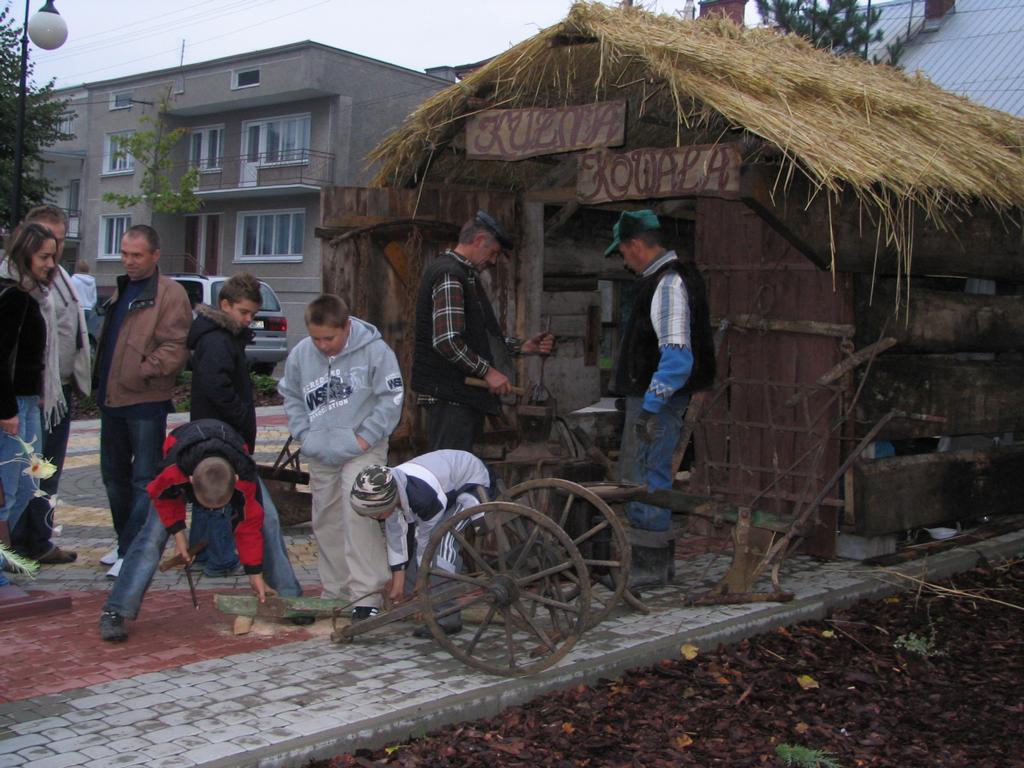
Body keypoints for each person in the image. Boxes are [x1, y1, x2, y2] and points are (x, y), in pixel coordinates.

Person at [98, 419, 306, 642]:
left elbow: (248, 526)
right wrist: (178, 534)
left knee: (269, 521)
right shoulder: (173, 471)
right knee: (151, 537)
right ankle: (116, 609)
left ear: (235, 481)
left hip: (231, 452)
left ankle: (290, 598)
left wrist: (254, 572)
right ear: (189, 482)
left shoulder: (244, 476)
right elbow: (165, 499)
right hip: (184, 453)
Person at [605, 210, 716, 584]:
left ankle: (648, 568)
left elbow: (677, 358)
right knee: (651, 475)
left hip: (659, 401)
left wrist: (651, 407)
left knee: (645, 478)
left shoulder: (667, 283)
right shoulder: (669, 278)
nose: (624, 261)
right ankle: (659, 564)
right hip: (658, 398)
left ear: (636, 245)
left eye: (623, 252)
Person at [278, 294, 404, 621]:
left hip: (363, 447)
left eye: (329, 338)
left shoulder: (375, 350)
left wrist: (365, 437)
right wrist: (305, 435)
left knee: (358, 513)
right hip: (321, 450)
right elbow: (290, 395)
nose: (322, 345)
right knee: (326, 519)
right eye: (316, 338)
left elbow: (391, 397)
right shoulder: (300, 355)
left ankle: (366, 594)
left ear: (347, 326)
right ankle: (336, 591)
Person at [412, 210, 554, 452]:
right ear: (479, 241)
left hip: (460, 398)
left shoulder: (465, 276)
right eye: (494, 252)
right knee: (450, 468)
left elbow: (476, 337)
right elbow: (447, 340)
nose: (494, 261)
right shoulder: (449, 274)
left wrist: (523, 346)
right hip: (450, 398)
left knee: (459, 467)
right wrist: (487, 372)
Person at [94, 224, 191, 578]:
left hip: (146, 400)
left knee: (143, 478)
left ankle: (133, 550)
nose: (129, 261)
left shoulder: (170, 293)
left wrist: (140, 372)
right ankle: (125, 542)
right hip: (112, 399)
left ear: (155, 255)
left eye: (136, 255)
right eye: (124, 253)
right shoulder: (122, 289)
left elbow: (175, 346)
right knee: (113, 476)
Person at [9, 206, 91, 566]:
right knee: (21, 478)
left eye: (58, 242)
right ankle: (15, 545)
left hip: (54, 391)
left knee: (44, 474)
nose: (53, 253)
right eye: (47, 244)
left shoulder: (56, 279)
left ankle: (37, 540)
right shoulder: (17, 286)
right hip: (30, 396)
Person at [350, 449, 495, 637]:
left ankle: (446, 619)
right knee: (415, 561)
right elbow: (397, 538)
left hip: (470, 483)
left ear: (391, 500)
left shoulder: (422, 495)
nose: (374, 518)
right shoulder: (392, 489)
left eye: (376, 514)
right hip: (443, 489)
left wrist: (423, 586)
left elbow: (428, 543)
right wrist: (398, 583)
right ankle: (415, 599)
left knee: (440, 549)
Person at [184, 272, 264, 577]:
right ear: (225, 305)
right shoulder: (218, 340)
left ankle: (202, 551)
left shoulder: (218, 336)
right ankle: (220, 557)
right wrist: (240, 415)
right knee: (220, 492)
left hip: (212, 428)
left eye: (252, 314)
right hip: (220, 430)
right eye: (244, 312)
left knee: (206, 491)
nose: (248, 319)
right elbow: (216, 386)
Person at [0, 223, 57, 584]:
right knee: (8, 491)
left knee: (24, 487)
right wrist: (7, 410)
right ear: (25, 255)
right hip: (13, 406)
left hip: (26, 402)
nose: (50, 264)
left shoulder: (29, 295)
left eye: (53, 256)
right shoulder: (14, 297)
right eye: (44, 256)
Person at [70, 258, 100, 341]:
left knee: (75, 333)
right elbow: (94, 298)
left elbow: (70, 295)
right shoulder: (92, 281)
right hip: (87, 310)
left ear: (77, 268)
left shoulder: (73, 279)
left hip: (77, 309)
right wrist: (89, 305)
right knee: (83, 333)